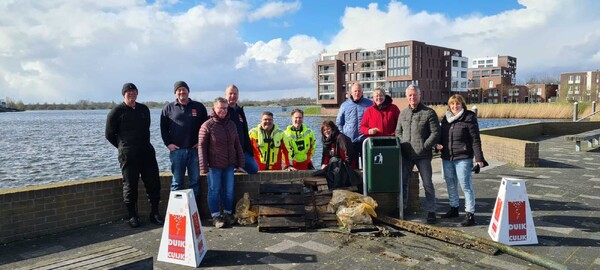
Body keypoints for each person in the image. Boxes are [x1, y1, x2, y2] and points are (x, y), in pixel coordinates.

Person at [105, 82, 163, 228]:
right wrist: (123, 147)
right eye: (128, 92)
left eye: (133, 91)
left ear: (137, 93)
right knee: (130, 185)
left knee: (154, 184)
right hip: (128, 155)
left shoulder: (144, 109)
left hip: (147, 152)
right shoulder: (116, 112)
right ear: (123, 94)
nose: (131, 94)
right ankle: (133, 216)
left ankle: (154, 213)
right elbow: (109, 134)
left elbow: (146, 129)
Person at [436, 94, 487, 227]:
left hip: (463, 157)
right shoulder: (446, 119)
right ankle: (454, 208)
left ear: (462, 105)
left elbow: (475, 139)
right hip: (447, 157)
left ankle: (470, 214)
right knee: (450, 184)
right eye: (452, 104)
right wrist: (438, 145)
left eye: (457, 104)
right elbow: (441, 136)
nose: (455, 106)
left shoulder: (469, 118)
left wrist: (479, 159)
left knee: (466, 186)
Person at [395, 84, 441, 224]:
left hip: (423, 155)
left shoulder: (429, 112)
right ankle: (401, 208)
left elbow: (435, 133)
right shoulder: (403, 113)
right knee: (403, 183)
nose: (412, 97)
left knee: (427, 183)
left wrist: (425, 146)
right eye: (410, 95)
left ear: (419, 96)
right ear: (406, 97)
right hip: (406, 154)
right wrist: (403, 144)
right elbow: (398, 132)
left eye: (414, 95)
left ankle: (431, 211)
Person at [198, 97, 245, 228]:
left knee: (229, 191)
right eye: (220, 108)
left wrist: (240, 162)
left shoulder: (231, 125)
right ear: (214, 109)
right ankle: (215, 216)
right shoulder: (207, 126)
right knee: (214, 190)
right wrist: (203, 167)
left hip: (229, 164)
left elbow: (237, 144)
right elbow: (201, 147)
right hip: (214, 165)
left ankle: (227, 214)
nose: (223, 111)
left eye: (225, 108)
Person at [160, 81, 208, 199]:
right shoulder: (168, 108)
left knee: (195, 182)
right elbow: (163, 128)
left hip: (195, 151)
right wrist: (168, 144)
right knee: (177, 183)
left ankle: (194, 212)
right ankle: (176, 213)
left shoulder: (199, 107)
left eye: (184, 89)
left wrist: (201, 143)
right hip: (177, 152)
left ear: (188, 91)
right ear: (175, 93)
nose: (182, 92)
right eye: (179, 90)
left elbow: (206, 127)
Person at [336, 84, 372, 168]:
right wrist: (344, 137)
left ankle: (366, 181)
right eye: (355, 91)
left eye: (359, 91)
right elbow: (339, 122)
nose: (357, 93)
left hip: (365, 140)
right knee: (352, 167)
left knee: (367, 166)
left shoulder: (369, 104)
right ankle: (355, 181)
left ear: (362, 92)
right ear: (351, 93)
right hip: (350, 141)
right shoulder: (344, 105)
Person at [225, 84, 258, 174]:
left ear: (238, 95)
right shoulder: (223, 110)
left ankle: (238, 166)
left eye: (235, 94)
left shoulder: (239, 110)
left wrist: (249, 150)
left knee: (254, 168)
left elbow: (245, 130)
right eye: (230, 93)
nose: (233, 96)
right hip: (228, 152)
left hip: (242, 150)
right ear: (226, 95)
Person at [319, 120, 360, 189]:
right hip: (335, 166)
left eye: (328, 129)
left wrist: (345, 165)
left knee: (334, 161)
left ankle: (335, 188)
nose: (326, 131)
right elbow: (325, 157)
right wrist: (324, 164)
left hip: (346, 166)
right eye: (324, 130)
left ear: (333, 128)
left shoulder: (340, 137)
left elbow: (349, 153)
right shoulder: (326, 142)